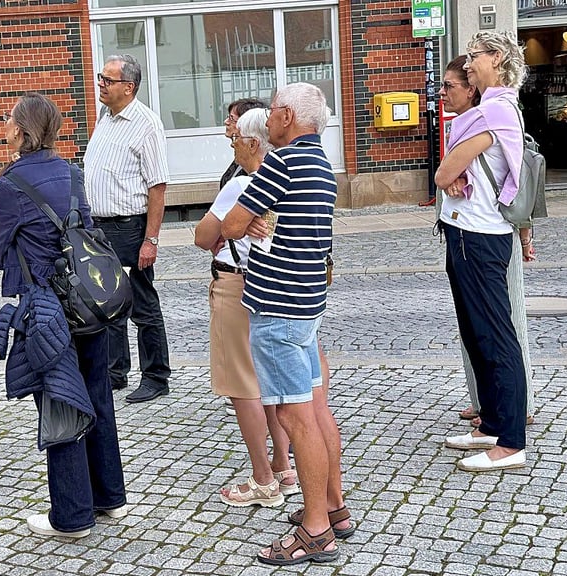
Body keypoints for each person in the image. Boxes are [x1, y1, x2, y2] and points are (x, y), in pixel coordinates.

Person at [0, 92, 127, 538]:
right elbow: (83, 228)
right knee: (98, 393)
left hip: (47, 310)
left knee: (62, 401)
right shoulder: (72, 172)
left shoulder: (10, 184)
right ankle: (109, 498)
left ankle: (71, 517)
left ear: (23, 129)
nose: (4, 125)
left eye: (9, 119)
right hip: (87, 303)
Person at [222, 83, 351, 566]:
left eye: (273, 110)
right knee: (317, 411)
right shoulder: (321, 163)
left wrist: (252, 218)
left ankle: (316, 530)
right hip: (307, 301)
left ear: (286, 116)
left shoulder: (283, 161)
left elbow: (232, 224)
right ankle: (334, 508)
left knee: (296, 418)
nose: (268, 119)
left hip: (277, 307)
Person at [434, 31, 529, 472]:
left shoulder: (494, 112)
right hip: (463, 232)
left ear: (497, 59)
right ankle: (491, 422)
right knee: (476, 333)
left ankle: (511, 441)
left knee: (496, 335)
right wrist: (451, 172)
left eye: (475, 57)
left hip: (480, 236)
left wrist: (449, 172)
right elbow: (451, 169)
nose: (468, 64)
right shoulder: (485, 112)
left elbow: (445, 171)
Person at [194, 108, 298, 507]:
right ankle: (283, 466)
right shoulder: (286, 181)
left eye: (236, 137)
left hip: (235, 284)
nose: (232, 143)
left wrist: (220, 230)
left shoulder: (241, 185)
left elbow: (204, 236)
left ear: (254, 143)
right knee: (270, 382)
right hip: (270, 285)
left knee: (242, 385)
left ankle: (262, 479)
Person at [83, 54, 172, 404]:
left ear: (128, 87)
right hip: (100, 228)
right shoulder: (105, 117)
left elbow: (158, 186)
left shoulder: (146, 123)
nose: (101, 85)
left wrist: (150, 239)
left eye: (107, 80)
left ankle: (156, 376)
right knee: (107, 302)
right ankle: (114, 370)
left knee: (142, 304)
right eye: (101, 78)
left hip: (129, 227)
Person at [216, 97, 267, 417]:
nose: (227, 127)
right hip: (272, 274)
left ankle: (269, 465)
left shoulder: (244, 180)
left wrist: (229, 227)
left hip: (244, 273)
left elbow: (213, 231)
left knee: (245, 375)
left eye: (233, 121)